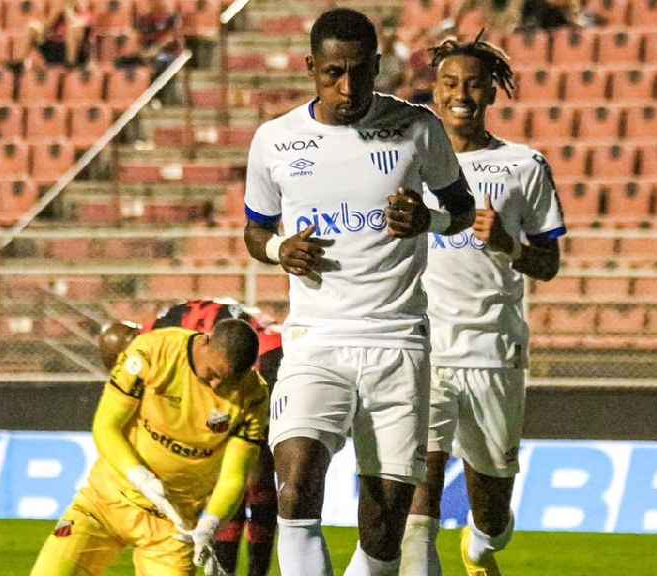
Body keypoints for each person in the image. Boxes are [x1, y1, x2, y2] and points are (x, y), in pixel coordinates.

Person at [242, 8, 474, 575]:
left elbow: (463, 209)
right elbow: (255, 229)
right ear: (310, 68)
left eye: (359, 73)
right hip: (315, 339)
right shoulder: (275, 141)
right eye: (332, 73)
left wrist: (430, 221)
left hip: (397, 341)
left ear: (378, 66)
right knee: (295, 485)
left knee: (385, 520)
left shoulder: (418, 128)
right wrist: (278, 251)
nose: (346, 88)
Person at [398, 34, 565, 576]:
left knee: (491, 501)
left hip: (493, 347)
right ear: (435, 91)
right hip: (423, 346)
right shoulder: (406, 162)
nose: (460, 94)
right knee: (418, 487)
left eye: (472, 83)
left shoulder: (523, 166)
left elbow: (548, 263)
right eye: (449, 83)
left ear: (492, 91)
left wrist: (508, 246)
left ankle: (483, 542)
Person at [29, 318, 268, 575]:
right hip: (104, 503)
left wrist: (210, 524)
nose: (217, 387)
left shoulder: (253, 396)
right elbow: (105, 426)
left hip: (172, 528)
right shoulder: (153, 351)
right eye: (214, 374)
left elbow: (234, 477)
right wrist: (140, 477)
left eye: (228, 380)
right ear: (205, 341)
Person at [137, 299, 282, 576]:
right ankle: (243, 569)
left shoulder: (162, 333)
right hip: (250, 368)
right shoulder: (164, 338)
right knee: (246, 483)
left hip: (255, 371)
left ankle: (241, 570)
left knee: (247, 480)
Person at [14, 0, 93, 68]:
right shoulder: (59, 6)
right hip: (53, 44)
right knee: (32, 29)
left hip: (72, 49)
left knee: (74, 30)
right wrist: (56, 13)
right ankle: (20, 62)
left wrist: (69, 12)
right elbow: (47, 26)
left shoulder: (83, 7)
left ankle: (71, 64)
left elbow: (85, 22)